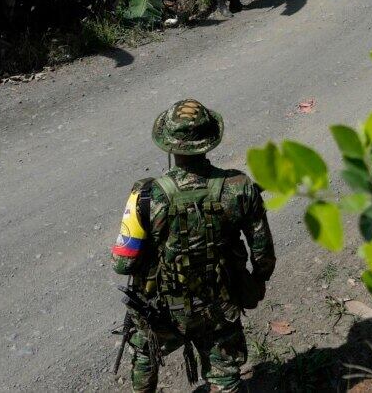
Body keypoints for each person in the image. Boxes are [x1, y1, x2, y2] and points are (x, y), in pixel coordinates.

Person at [111, 99, 275, 393]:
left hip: (162, 308)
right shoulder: (240, 187)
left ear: (169, 146)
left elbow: (123, 263)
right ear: (209, 142)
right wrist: (255, 283)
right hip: (218, 304)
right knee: (225, 374)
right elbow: (263, 255)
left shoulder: (146, 196)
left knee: (145, 351)